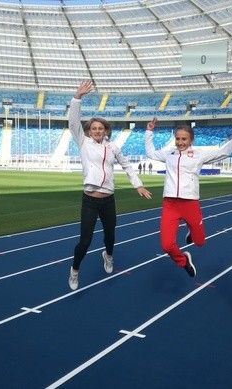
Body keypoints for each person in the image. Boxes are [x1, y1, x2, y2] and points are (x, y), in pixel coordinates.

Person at [68, 80, 152, 290]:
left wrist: (138, 185)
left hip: (109, 200)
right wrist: (77, 97)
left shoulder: (113, 147)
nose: (97, 131)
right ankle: (75, 270)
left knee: (110, 235)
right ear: (89, 131)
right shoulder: (83, 142)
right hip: (90, 200)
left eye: (101, 128)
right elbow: (73, 122)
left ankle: (108, 256)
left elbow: (127, 166)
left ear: (106, 131)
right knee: (85, 241)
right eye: (94, 128)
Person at [145, 118, 232, 277]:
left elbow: (227, 151)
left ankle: (192, 232)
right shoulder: (169, 153)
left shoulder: (199, 154)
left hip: (190, 203)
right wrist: (149, 132)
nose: (180, 142)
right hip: (170, 204)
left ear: (191, 140)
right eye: (177, 138)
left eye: (184, 139)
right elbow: (150, 152)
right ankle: (183, 260)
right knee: (166, 245)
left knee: (199, 242)